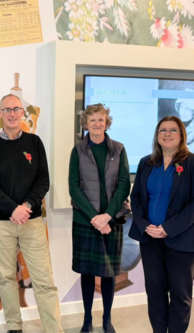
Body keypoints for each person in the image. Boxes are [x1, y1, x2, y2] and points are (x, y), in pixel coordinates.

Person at [0, 93, 63, 333]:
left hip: (31, 219)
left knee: (44, 280)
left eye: (16, 109)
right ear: (0, 115)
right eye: (7, 110)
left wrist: (25, 207)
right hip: (0, 222)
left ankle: (53, 329)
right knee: (6, 278)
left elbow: (43, 179)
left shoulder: (35, 142)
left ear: (22, 113)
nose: (12, 114)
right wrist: (12, 209)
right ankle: (14, 326)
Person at [129, 116, 194, 333]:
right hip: (150, 239)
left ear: (182, 134)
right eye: (163, 130)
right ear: (157, 135)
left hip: (183, 239)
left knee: (180, 296)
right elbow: (136, 197)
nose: (167, 134)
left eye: (173, 130)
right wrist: (145, 224)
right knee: (154, 293)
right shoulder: (146, 163)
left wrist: (168, 228)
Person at [68, 104, 131, 333]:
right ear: (86, 123)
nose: (97, 124)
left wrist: (107, 216)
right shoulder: (78, 150)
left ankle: (107, 319)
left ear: (107, 122)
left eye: (101, 120)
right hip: (86, 221)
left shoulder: (119, 149)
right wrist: (95, 217)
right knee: (87, 271)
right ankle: (87, 319)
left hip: (111, 220)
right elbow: (74, 187)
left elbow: (124, 184)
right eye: (92, 120)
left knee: (109, 272)